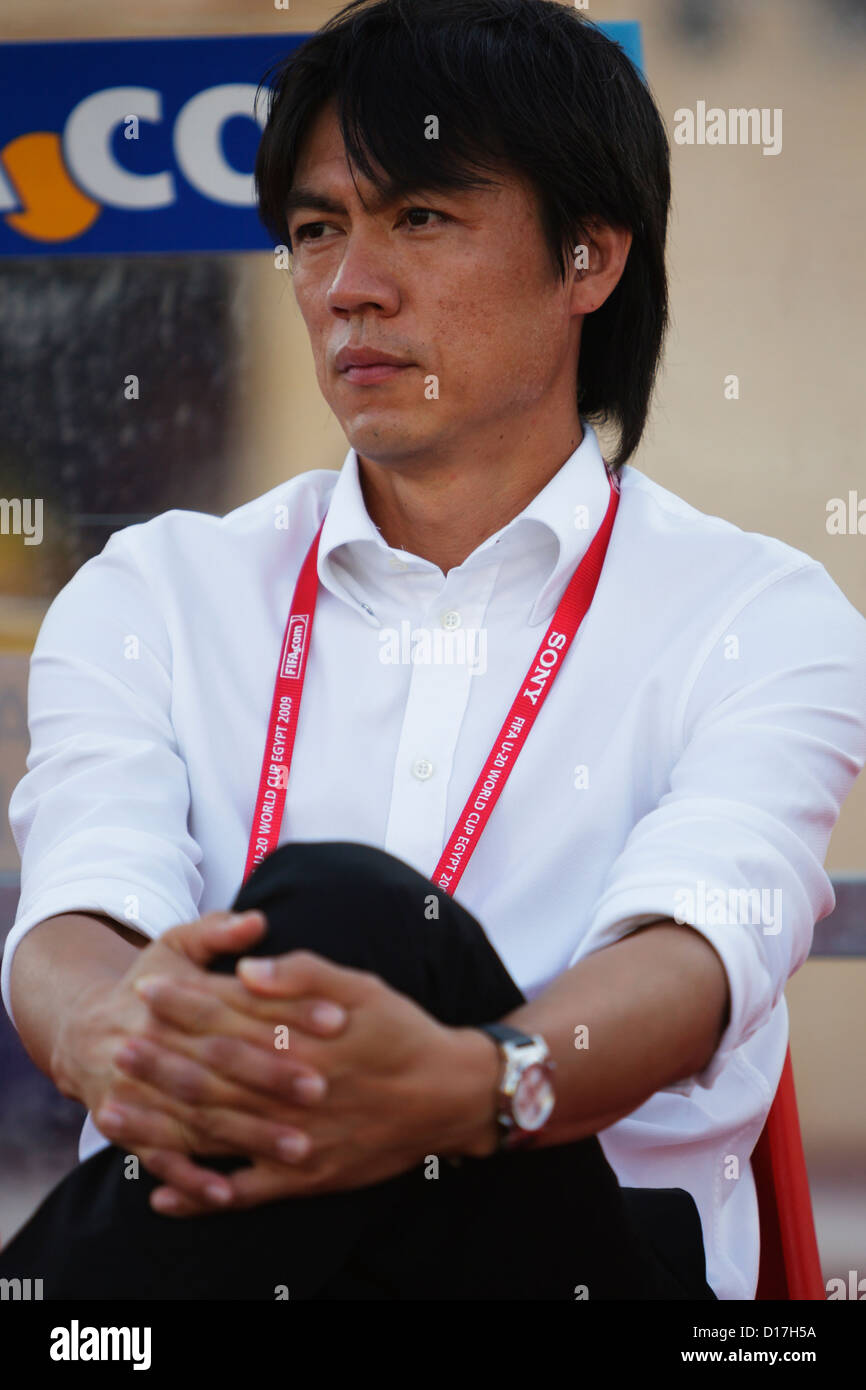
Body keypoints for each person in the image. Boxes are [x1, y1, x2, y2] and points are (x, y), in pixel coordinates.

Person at [2, 0, 865, 1301]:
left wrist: (469, 1082)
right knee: (329, 933)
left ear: (587, 258)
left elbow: (702, 940)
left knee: (349, 912)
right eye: (314, 228)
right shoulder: (159, 589)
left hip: (570, 1260)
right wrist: (103, 1025)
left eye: (418, 217)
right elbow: (83, 897)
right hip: (224, 1258)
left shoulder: (754, 609)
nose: (349, 283)